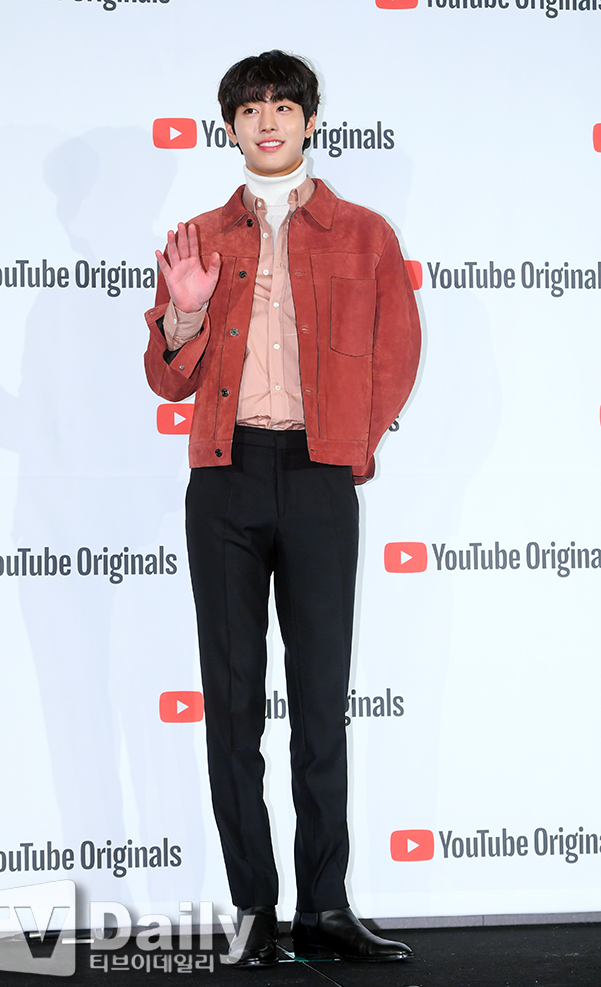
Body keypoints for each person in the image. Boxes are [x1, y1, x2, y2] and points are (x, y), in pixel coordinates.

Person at [144, 51, 421, 966]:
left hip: (318, 477)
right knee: (232, 705)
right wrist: (185, 313)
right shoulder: (197, 238)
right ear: (229, 126)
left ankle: (326, 905)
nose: (268, 121)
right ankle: (253, 912)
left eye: (284, 106)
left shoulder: (364, 234)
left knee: (321, 701)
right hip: (224, 478)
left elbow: (397, 353)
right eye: (251, 109)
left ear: (308, 119)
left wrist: (349, 444)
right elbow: (166, 378)